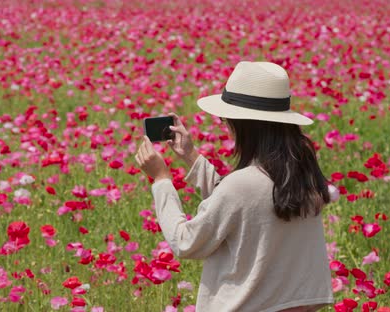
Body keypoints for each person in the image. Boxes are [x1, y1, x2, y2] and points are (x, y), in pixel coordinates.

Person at [135, 61, 334, 312]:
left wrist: (162, 179)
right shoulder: (301, 175)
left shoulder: (244, 184)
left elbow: (185, 242)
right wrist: (191, 156)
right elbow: (244, 200)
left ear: (243, 125)